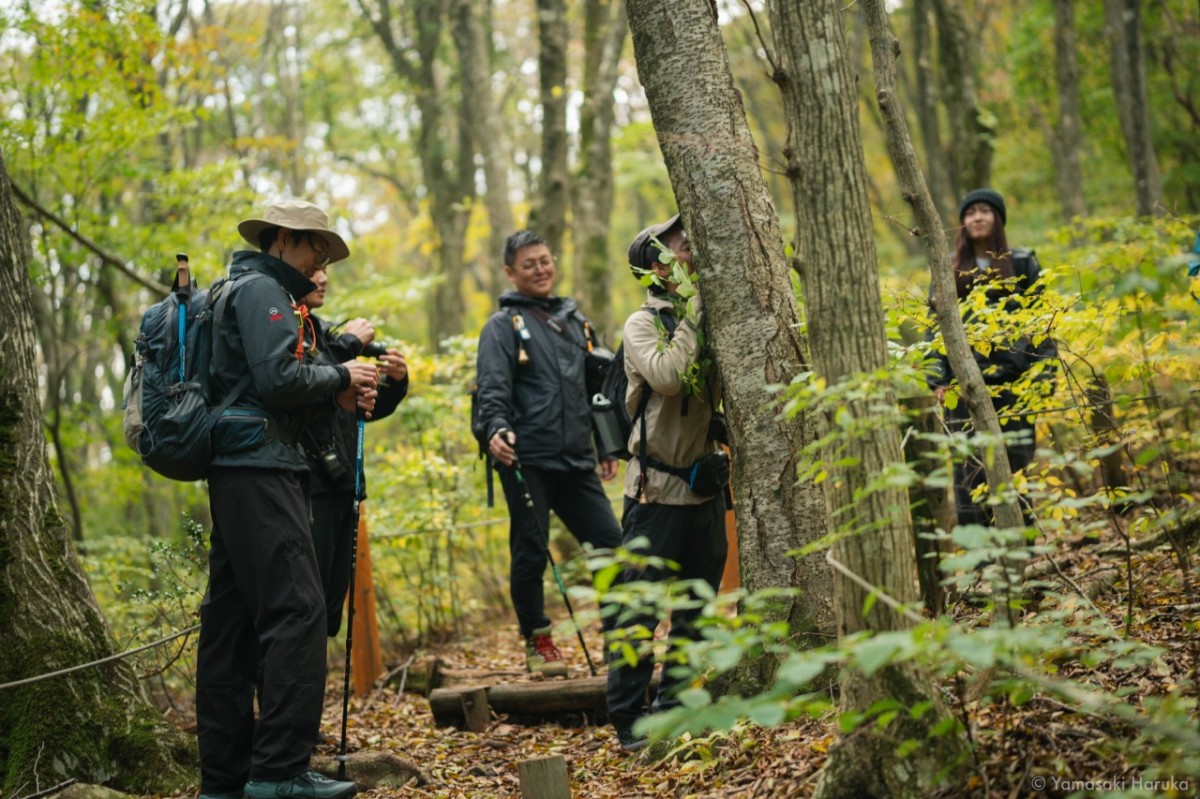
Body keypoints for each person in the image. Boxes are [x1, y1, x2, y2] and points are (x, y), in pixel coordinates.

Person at [198, 199, 378, 799]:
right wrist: (343, 376)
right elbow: (279, 381)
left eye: (324, 253)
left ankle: (223, 780)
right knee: (299, 611)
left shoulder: (246, 291)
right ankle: (279, 772)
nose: (318, 261)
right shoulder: (260, 291)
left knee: (228, 626)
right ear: (280, 239)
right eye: (312, 248)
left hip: (240, 465)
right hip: (259, 464)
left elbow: (270, 371)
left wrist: (343, 358)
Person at [473, 230, 622, 677]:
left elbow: (595, 389)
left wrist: (605, 444)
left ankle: (621, 640)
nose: (540, 269)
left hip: (577, 458)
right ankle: (539, 643)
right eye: (528, 264)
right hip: (527, 459)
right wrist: (495, 428)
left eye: (545, 260)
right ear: (510, 272)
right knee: (531, 551)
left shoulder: (576, 322)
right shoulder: (502, 327)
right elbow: (493, 388)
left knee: (611, 545)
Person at [605, 214, 728, 753]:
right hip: (654, 496)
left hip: (705, 490)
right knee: (640, 610)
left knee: (697, 610)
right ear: (657, 265)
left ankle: (673, 710)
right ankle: (630, 723)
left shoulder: (708, 317)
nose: (691, 249)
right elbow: (670, 377)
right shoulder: (642, 324)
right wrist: (696, 310)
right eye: (681, 245)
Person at [927, 188, 1056, 527]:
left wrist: (1043, 378)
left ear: (997, 218)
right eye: (970, 213)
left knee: (1017, 470)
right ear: (962, 223)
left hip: (1015, 388)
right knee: (969, 473)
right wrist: (937, 379)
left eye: (985, 210)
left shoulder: (1023, 263)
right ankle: (981, 564)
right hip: (963, 391)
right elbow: (933, 330)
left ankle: (1020, 555)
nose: (977, 217)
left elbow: (1042, 324)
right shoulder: (947, 269)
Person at [297, 267, 409, 637]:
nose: (323, 279)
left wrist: (396, 381)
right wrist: (347, 345)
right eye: (314, 270)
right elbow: (300, 384)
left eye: (326, 271)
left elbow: (363, 407)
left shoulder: (325, 331)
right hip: (308, 488)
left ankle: (314, 693)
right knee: (303, 608)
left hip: (343, 482)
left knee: (329, 611)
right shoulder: (290, 334)